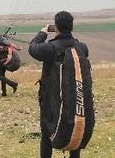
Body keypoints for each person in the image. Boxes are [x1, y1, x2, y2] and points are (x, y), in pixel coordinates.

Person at [29, 10, 89, 158]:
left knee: (46, 133)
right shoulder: (82, 48)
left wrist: (43, 33)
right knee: (74, 126)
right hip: (75, 94)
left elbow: (32, 47)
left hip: (51, 99)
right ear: (72, 27)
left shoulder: (50, 48)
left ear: (56, 27)